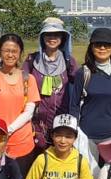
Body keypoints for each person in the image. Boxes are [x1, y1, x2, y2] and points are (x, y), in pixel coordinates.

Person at [65, 27, 111, 163]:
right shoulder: (83, 72)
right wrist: (73, 132)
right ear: (91, 47)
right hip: (86, 136)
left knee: (110, 178)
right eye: (98, 44)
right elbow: (74, 105)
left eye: (107, 45)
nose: (102, 48)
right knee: (88, 178)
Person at [0, 33, 41, 175]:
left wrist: (10, 129)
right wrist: (0, 134)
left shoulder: (29, 79)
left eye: (14, 51)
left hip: (23, 143)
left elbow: (29, 112)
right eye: (6, 50)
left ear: (20, 53)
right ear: (0, 52)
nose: (10, 55)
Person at [22, 17, 78, 152]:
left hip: (61, 122)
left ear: (63, 38)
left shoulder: (69, 61)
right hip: (35, 123)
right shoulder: (31, 60)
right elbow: (22, 86)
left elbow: (78, 87)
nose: (52, 38)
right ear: (42, 37)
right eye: (48, 34)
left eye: (56, 35)